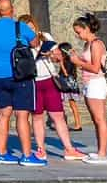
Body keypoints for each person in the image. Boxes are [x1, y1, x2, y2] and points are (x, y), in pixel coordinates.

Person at [0, 0, 38, 165]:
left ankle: (1, 153)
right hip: (18, 75)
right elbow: (35, 43)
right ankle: (27, 155)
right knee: (22, 115)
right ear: (12, 9)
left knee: (3, 113)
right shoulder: (20, 26)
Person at [28, 18, 82, 161]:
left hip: (49, 80)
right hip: (33, 82)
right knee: (37, 116)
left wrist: (50, 55)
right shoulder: (21, 41)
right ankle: (41, 150)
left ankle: (69, 149)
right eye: (27, 28)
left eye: (32, 27)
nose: (30, 31)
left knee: (57, 115)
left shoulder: (45, 37)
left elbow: (58, 57)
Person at [69, 13, 107, 164]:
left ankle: (102, 154)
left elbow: (95, 67)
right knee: (96, 119)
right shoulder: (88, 44)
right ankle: (100, 150)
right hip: (88, 84)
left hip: (96, 83)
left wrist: (78, 62)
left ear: (86, 28)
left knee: (100, 119)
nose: (78, 36)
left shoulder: (96, 44)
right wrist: (77, 59)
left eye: (79, 32)